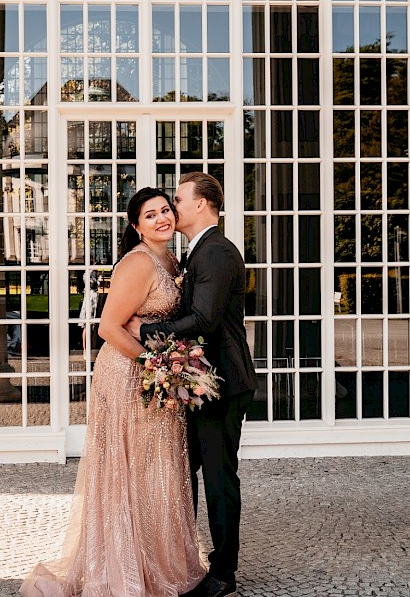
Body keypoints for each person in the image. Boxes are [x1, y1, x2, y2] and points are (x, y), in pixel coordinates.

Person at [20, 188, 205, 597]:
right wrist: (155, 367)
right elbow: (107, 328)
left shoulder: (171, 259)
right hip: (127, 374)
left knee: (155, 468)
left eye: (165, 210)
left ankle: (156, 558)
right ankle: (121, 565)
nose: (162, 218)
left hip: (154, 375)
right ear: (136, 226)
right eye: (150, 215)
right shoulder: (138, 263)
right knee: (128, 469)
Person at [129, 172, 257, 597]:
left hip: (220, 383)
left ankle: (223, 573)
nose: (172, 207)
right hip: (198, 382)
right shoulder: (198, 252)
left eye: (178, 200)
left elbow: (203, 320)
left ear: (201, 204)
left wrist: (145, 330)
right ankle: (185, 559)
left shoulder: (217, 252)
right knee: (188, 474)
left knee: (220, 478)